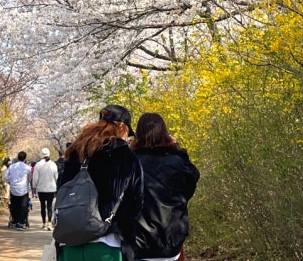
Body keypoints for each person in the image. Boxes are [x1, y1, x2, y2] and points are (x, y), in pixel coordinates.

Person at [57, 104, 144, 261]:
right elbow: (136, 202)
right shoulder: (125, 155)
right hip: (106, 243)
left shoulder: (77, 151)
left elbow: (62, 188)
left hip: (70, 241)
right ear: (122, 127)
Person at [131, 113, 200, 261]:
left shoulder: (130, 164)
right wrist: (179, 150)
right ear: (164, 133)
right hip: (171, 242)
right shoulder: (177, 163)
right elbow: (190, 185)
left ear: (138, 134)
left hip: (138, 244)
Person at [32, 147, 59, 230]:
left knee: (43, 206)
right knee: (50, 206)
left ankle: (44, 223)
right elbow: (56, 177)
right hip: (51, 188)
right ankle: (49, 223)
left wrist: (34, 187)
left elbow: (35, 178)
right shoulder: (53, 164)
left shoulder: (38, 165)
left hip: (41, 188)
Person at [4, 151, 32, 229]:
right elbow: (30, 178)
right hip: (23, 190)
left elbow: (5, 177)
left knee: (14, 206)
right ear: (25, 158)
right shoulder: (27, 168)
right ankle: (21, 222)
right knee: (23, 206)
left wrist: (11, 182)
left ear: (18, 157)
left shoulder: (12, 167)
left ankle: (15, 221)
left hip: (13, 189)